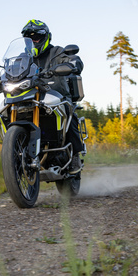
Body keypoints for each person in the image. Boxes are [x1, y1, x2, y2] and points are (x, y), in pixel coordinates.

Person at [21, 19, 84, 174]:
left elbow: (73, 60)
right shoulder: (24, 57)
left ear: (45, 37)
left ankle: (76, 154)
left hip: (57, 95)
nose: (33, 40)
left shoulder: (57, 52)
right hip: (31, 96)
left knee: (69, 113)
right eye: (29, 37)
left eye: (36, 37)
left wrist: (73, 64)